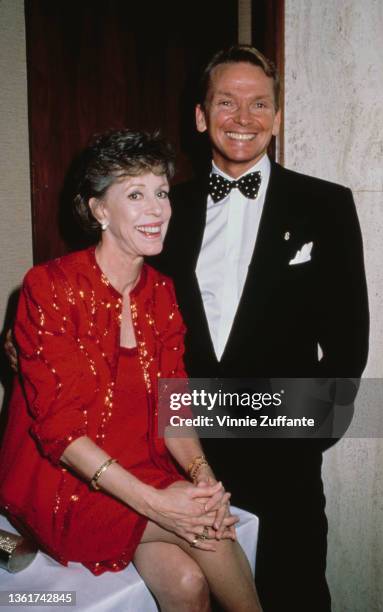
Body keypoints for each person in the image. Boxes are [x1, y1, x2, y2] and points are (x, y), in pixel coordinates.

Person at [0, 130, 262, 612]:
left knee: (185, 583)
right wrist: (156, 502)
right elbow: (60, 432)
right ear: (99, 210)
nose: (158, 208)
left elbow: (174, 404)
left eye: (161, 192)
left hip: (143, 465)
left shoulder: (161, 291)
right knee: (206, 523)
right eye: (135, 194)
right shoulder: (50, 288)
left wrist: (202, 473)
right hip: (65, 480)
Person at [151, 46, 369, 611]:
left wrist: (308, 434)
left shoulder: (326, 205)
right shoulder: (164, 211)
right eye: (226, 102)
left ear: (276, 117)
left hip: (284, 455)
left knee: (292, 590)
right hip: (185, 451)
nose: (242, 118)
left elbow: (349, 340)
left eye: (258, 104)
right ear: (201, 116)